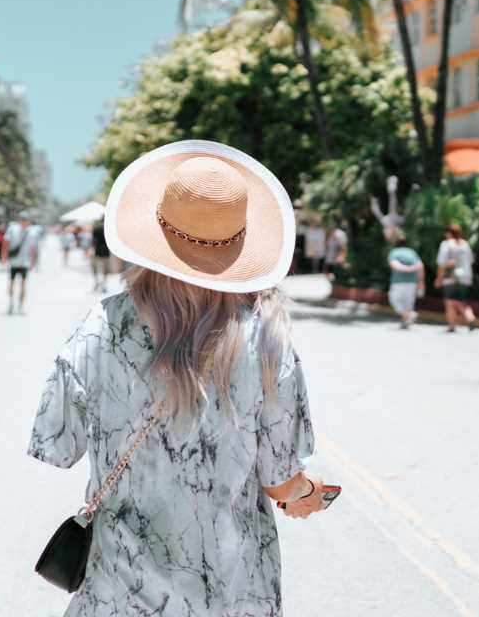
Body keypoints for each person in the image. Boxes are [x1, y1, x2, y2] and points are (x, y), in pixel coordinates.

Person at [28, 140, 329, 616]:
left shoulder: (98, 327)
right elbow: (280, 481)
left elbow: (56, 443)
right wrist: (310, 496)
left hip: (118, 594)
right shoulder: (267, 342)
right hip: (231, 592)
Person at [435, 222, 475, 333]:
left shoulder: (446, 244)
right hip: (466, 277)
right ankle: (470, 317)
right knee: (462, 301)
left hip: (451, 277)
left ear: (449, 233)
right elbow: (471, 261)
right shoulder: (466, 245)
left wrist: (439, 278)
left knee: (450, 302)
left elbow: (441, 263)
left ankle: (452, 326)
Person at [385, 230, 425, 329]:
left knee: (394, 299)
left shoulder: (394, 252)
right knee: (408, 303)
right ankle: (406, 321)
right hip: (412, 282)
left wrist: (406, 269)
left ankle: (409, 315)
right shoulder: (412, 252)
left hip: (398, 282)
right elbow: (420, 266)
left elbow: (395, 265)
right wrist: (421, 281)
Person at [4, 211, 41, 314]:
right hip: (14, 261)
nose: (24, 222)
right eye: (23, 220)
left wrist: (33, 261)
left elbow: (33, 249)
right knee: (11, 283)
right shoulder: (13, 229)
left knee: (23, 284)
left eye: (26, 220)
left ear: (28, 221)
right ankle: (11, 303)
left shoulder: (32, 232)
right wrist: (4, 256)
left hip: (25, 262)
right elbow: (6, 242)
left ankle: (20, 306)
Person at [90, 218, 111, 293]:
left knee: (95, 268)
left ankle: (97, 281)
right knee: (105, 269)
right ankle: (104, 284)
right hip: (106, 252)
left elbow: (93, 241)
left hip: (97, 251)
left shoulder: (96, 229)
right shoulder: (109, 230)